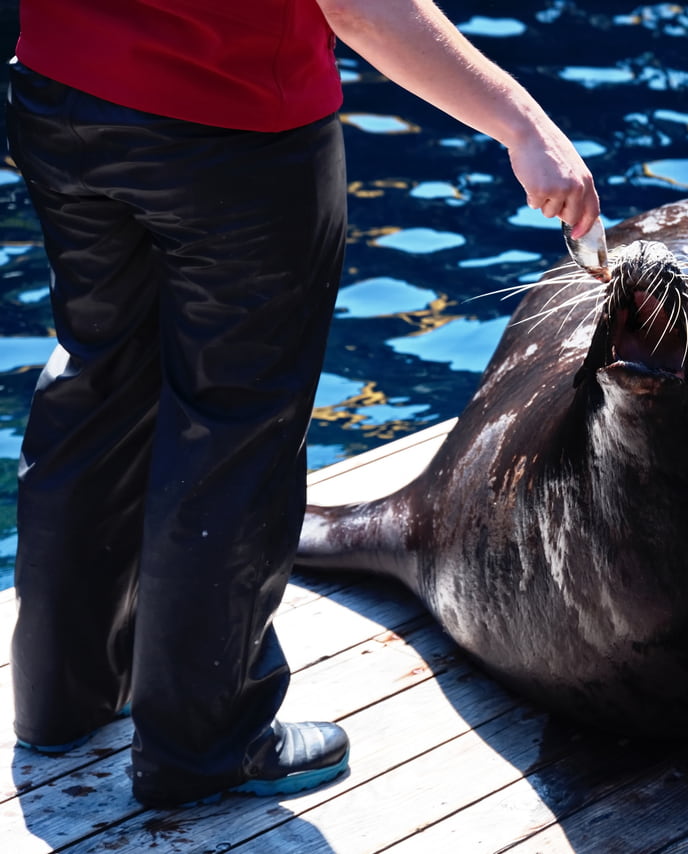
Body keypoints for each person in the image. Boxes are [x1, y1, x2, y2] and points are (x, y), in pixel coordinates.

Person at [7, 0, 600, 808]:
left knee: (98, 379)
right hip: (231, 126)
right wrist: (522, 125)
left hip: (58, 92)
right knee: (234, 428)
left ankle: (59, 697)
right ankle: (204, 740)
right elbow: (361, 9)